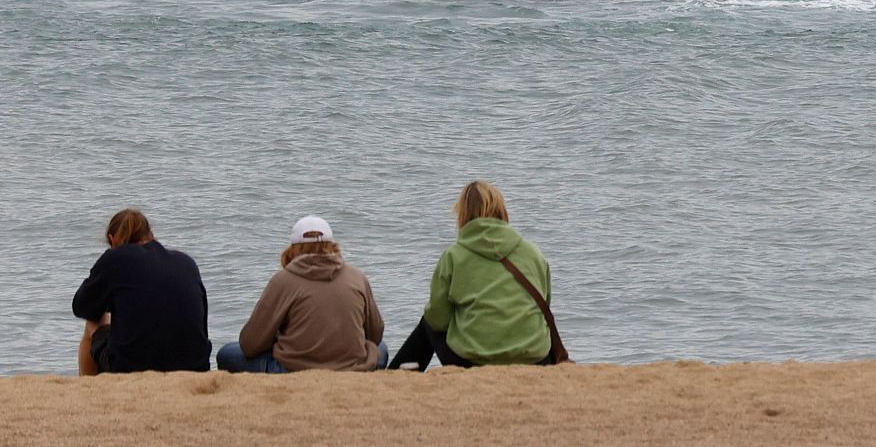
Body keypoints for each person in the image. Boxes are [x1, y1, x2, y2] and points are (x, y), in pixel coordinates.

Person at [389, 181, 559, 370]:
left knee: (428, 322)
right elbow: (545, 304)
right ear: (502, 211)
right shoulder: (533, 253)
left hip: (472, 361)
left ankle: (396, 372)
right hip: (534, 358)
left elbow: (438, 318)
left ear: (463, 215)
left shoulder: (453, 256)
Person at [216, 215, 386, 373]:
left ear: (292, 249)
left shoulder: (283, 280)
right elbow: (375, 335)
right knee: (381, 349)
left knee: (227, 353)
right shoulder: (357, 276)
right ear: (333, 245)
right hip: (352, 367)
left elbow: (250, 344)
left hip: (296, 369)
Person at [73, 208, 211, 375]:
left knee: (93, 321)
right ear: (150, 234)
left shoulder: (114, 258)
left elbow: (82, 307)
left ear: (112, 240)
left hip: (132, 368)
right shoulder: (186, 262)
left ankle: (89, 391)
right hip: (195, 367)